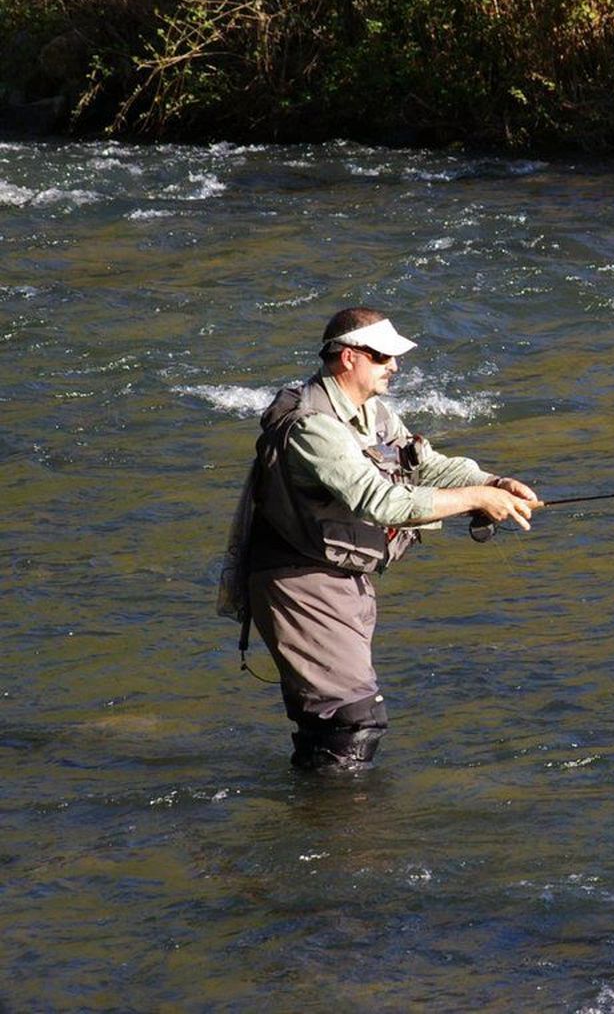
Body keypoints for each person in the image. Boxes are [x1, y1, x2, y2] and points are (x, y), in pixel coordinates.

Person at [220, 307, 540, 771]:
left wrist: (494, 482)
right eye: (382, 356)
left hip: (340, 580)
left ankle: (318, 819)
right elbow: (381, 502)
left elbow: (424, 465)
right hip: (301, 583)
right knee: (350, 721)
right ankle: (341, 831)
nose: (394, 366)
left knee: (333, 721)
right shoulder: (315, 427)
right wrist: (474, 498)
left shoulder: (373, 412)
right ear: (348, 358)